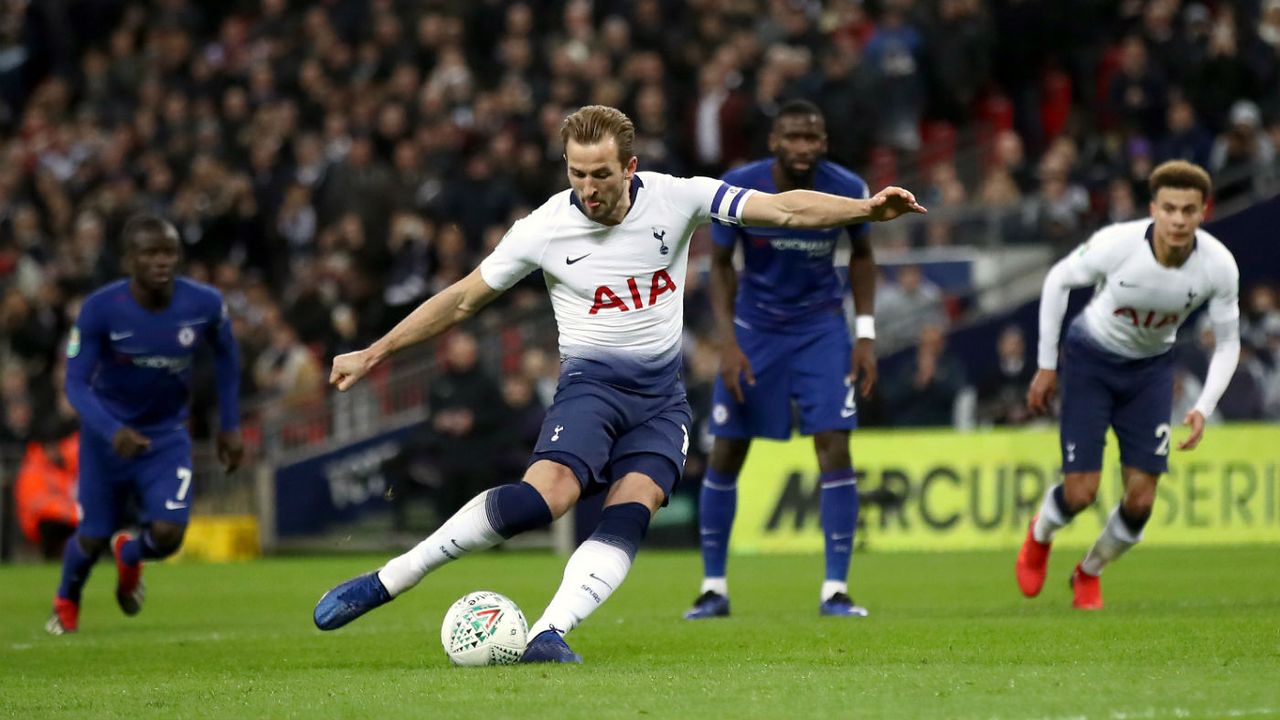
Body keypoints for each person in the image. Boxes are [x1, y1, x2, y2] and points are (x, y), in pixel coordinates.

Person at [311, 105, 925, 662]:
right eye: (577, 173)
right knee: (541, 500)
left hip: (662, 399)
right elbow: (465, 298)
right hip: (590, 388)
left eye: (601, 173)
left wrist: (867, 209)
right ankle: (395, 577)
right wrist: (376, 350)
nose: (588, 188)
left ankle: (548, 633)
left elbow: (785, 207)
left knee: (631, 511)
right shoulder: (544, 227)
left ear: (629, 167)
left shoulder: (677, 198)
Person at [684, 99, 878, 621]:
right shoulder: (739, 187)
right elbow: (720, 264)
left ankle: (835, 589)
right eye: (792, 137)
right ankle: (713, 588)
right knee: (727, 451)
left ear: (824, 143)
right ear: (774, 141)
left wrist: (865, 334)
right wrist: (727, 341)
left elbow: (863, 255)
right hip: (756, 330)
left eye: (811, 138)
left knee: (835, 447)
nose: (802, 147)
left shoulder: (848, 187)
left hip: (821, 329)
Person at [1017, 160, 1239, 610]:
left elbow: (1229, 343)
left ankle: (1089, 572)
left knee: (1140, 501)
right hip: (1090, 362)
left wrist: (1204, 406)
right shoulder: (1116, 244)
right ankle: (1040, 535)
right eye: (1170, 208)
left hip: (1150, 372)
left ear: (1203, 212)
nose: (1178, 220)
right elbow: (1058, 279)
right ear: (1153, 209)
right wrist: (1045, 365)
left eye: (1189, 210)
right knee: (1081, 493)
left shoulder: (1219, 266)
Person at [47, 215, 244, 634]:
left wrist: (229, 425)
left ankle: (132, 555)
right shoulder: (101, 309)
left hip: (166, 436)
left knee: (170, 533)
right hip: (108, 439)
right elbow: (75, 383)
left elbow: (228, 356)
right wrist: (110, 430)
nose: (162, 261)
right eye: (150, 253)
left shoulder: (203, 304)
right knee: (92, 535)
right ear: (128, 260)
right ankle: (66, 598)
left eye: (169, 252)